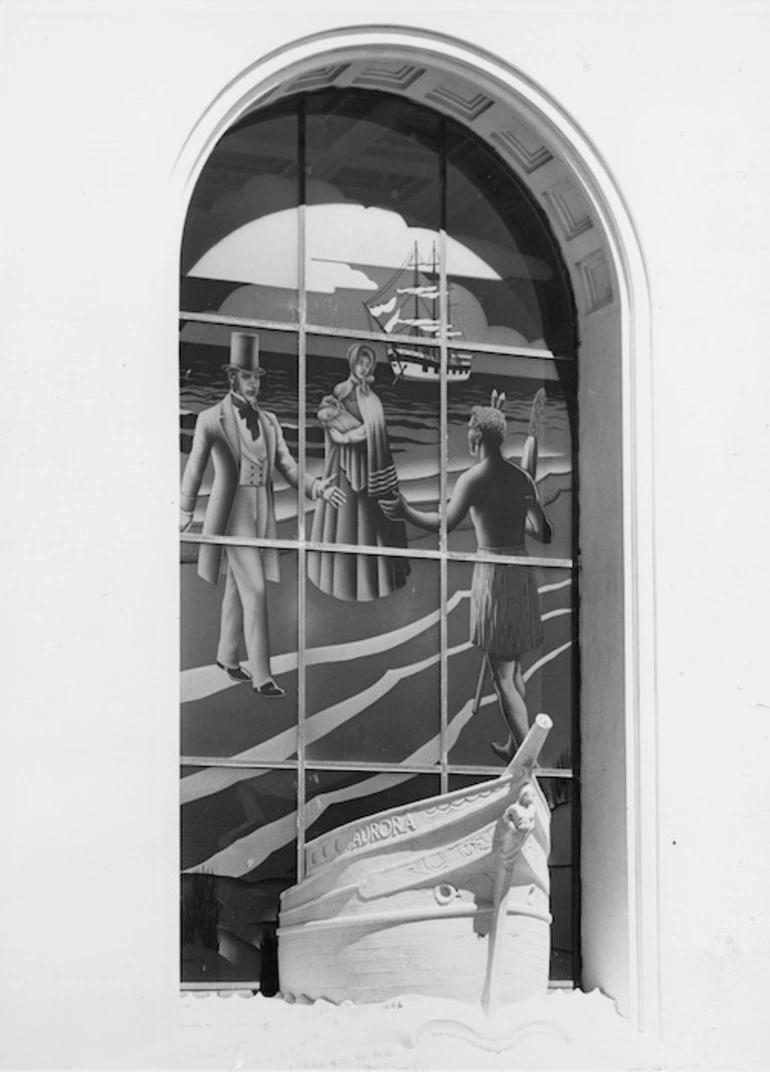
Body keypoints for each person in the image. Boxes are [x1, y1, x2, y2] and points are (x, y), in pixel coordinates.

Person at [380, 390, 552, 759]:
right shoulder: (521, 479)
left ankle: (526, 758)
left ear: (477, 437)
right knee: (514, 666)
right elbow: (543, 532)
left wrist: (406, 510)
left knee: (501, 677)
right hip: (520, 574)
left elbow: (443, 522)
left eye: (470, 429)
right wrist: (527, 504)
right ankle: (514, 739)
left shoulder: (472, 480)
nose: (467, 435)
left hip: (494, 577)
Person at [180, 331, 344, 699]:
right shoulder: (210, 418)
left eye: (257, 378)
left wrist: (316, 487)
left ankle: (226, 655)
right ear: (232, 377)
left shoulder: (269, 421)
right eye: (246, 377)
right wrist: (185, 508)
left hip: (262, 511)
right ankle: (263, 676)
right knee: (254, 587)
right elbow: (194, 466)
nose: (253, 384)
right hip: (231, 511)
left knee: (239, 586)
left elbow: (287, 464)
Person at [308, 343, 409, 601]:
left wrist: (345, 438)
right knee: (342, 522)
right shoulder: (338, 392)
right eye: (360, 362)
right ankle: (338, 580)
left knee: (367, 523)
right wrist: (331, 428)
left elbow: (371, 431)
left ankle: (374, 583)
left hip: (367, 466)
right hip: (341, 466)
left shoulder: (372, 399)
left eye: (368, 364)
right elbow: (328, 419)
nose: (363, 368)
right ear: (351, 362)